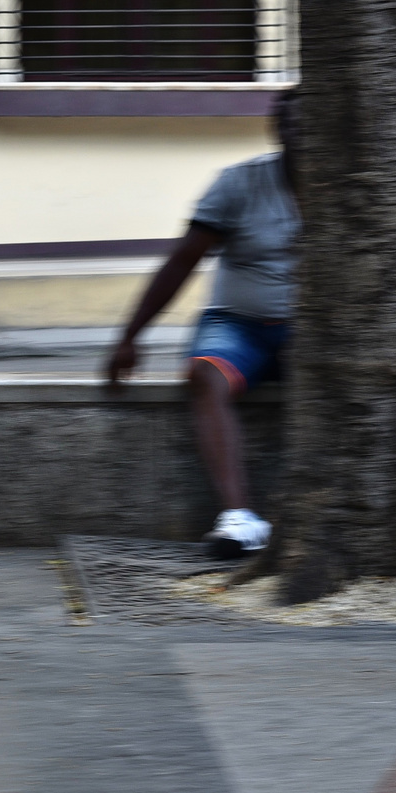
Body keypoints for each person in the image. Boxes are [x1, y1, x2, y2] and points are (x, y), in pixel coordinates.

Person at [106, 91, 299, 558]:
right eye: (294, 126)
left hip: (311, 330)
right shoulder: (239, 184)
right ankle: (239, 519)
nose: (305, 137)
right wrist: (130, 337)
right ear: (279, 131)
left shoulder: (358, 187)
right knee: (204, 374)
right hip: (239, 324)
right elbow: (181, 263)